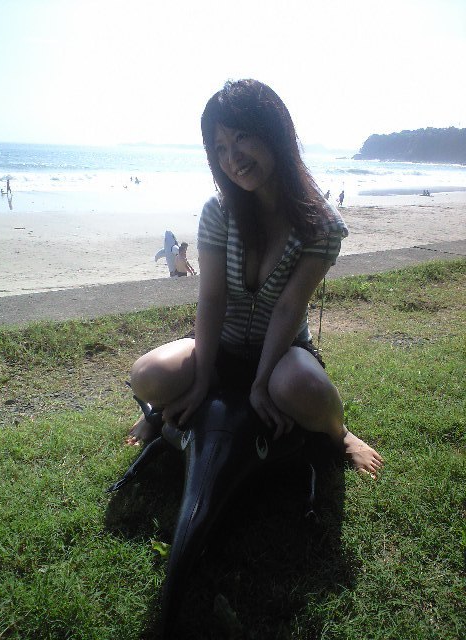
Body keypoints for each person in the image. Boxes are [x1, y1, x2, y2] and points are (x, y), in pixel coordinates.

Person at [127, 79, 383, 477]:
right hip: (220, 348)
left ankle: (340, 434)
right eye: (220, 148)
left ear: (274, 133)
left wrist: (262, 382)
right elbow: (212, 299)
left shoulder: (321, 224)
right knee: (147, 376)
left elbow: (289, 307)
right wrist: (201, 378)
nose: (233, 158)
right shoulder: (219, 212)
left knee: (302, 388)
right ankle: (161, 411)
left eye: (241, 137)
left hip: (283, 354)